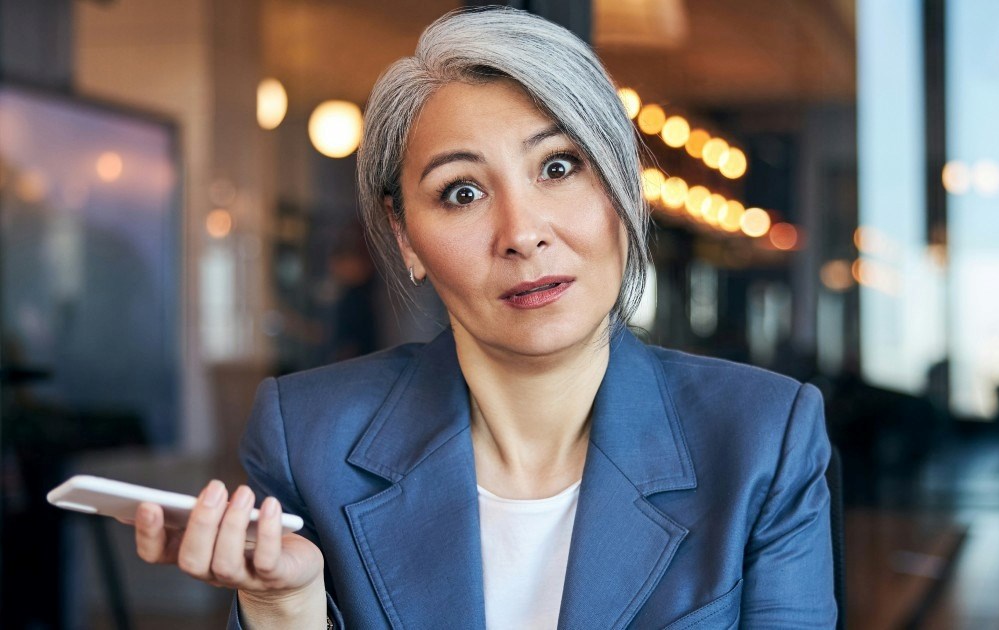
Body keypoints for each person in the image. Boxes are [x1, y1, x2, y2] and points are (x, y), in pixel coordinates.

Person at [131, 7, 835, 628]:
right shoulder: (309, 439)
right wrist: (285, 612)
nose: (522, 233)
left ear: (622, 189)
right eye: (462, 192)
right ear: (406, 238)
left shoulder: (762, 439)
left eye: (559, 167)